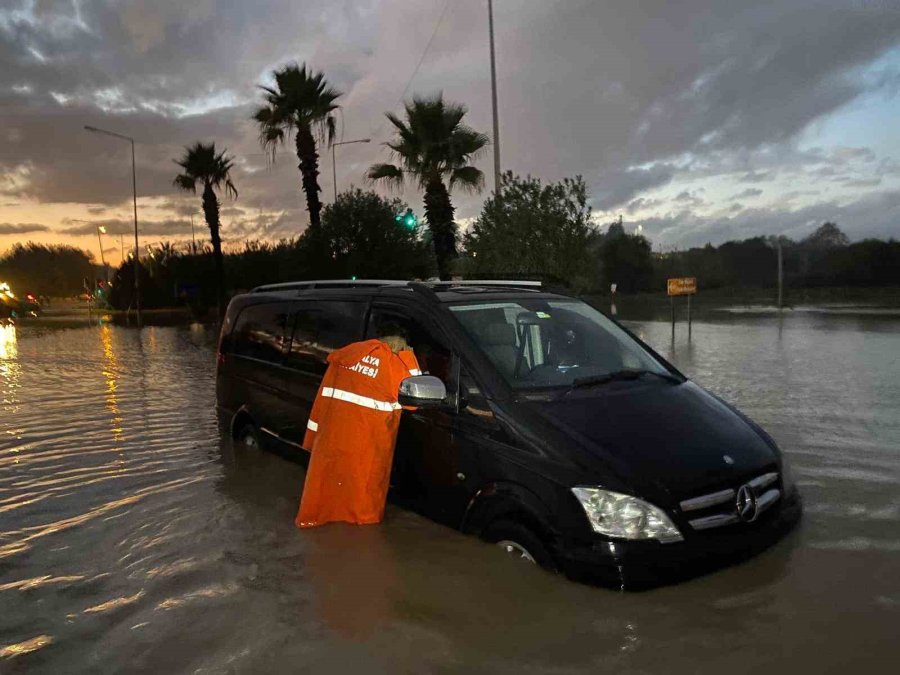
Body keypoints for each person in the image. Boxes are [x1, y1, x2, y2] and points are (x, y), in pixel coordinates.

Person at [295, 323, 421, 528]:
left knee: (324, 502)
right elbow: (414, 399)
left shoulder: (344, 357)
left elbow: (321, 401)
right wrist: (408, 357)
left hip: (330, 445)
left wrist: (310, 440)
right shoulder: (392, 362)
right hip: (367, 451)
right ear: (400, 342)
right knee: (363, 516)